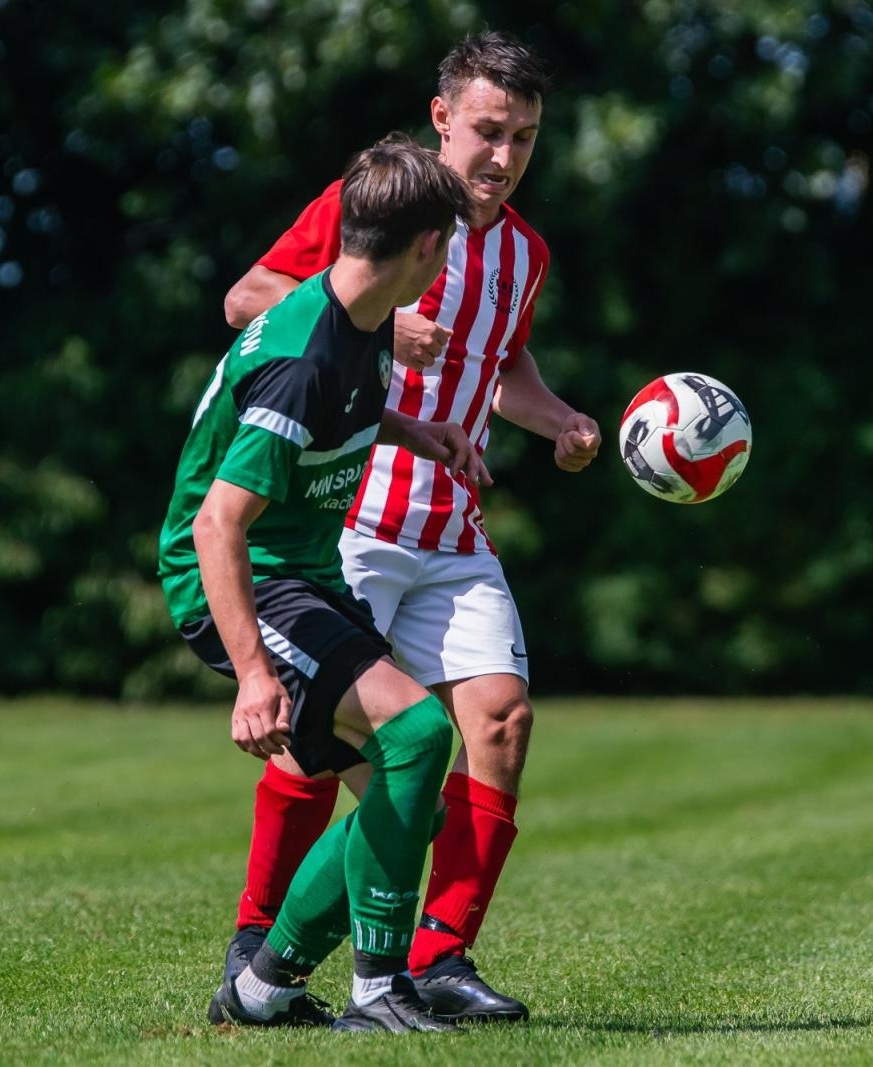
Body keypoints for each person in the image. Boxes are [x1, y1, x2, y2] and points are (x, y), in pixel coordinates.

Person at [218, 30, 600, 1024]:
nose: (503, 156)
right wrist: (380, 326)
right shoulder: (381, 207)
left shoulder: (524, 252)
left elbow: (500, 364)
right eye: (486, 131)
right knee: (323, 744)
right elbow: (248, 298)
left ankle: (440, 954)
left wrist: (556, 415)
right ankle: (257, 937)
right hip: (350, 514)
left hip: (453, 526)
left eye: (523, 137)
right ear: (442, 120)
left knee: (503, 719)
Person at [158, 134, 484, 1034]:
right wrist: (257, 676)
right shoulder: (306, 355)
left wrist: (415, 433)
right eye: (448, 244)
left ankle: (262, 989)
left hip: (301, 570)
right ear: (426, 246)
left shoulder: (357, 315)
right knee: (418, 731)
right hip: (245, 575)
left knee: (407, 786)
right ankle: (379, 991)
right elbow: (216, 523)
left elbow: (346, 407)